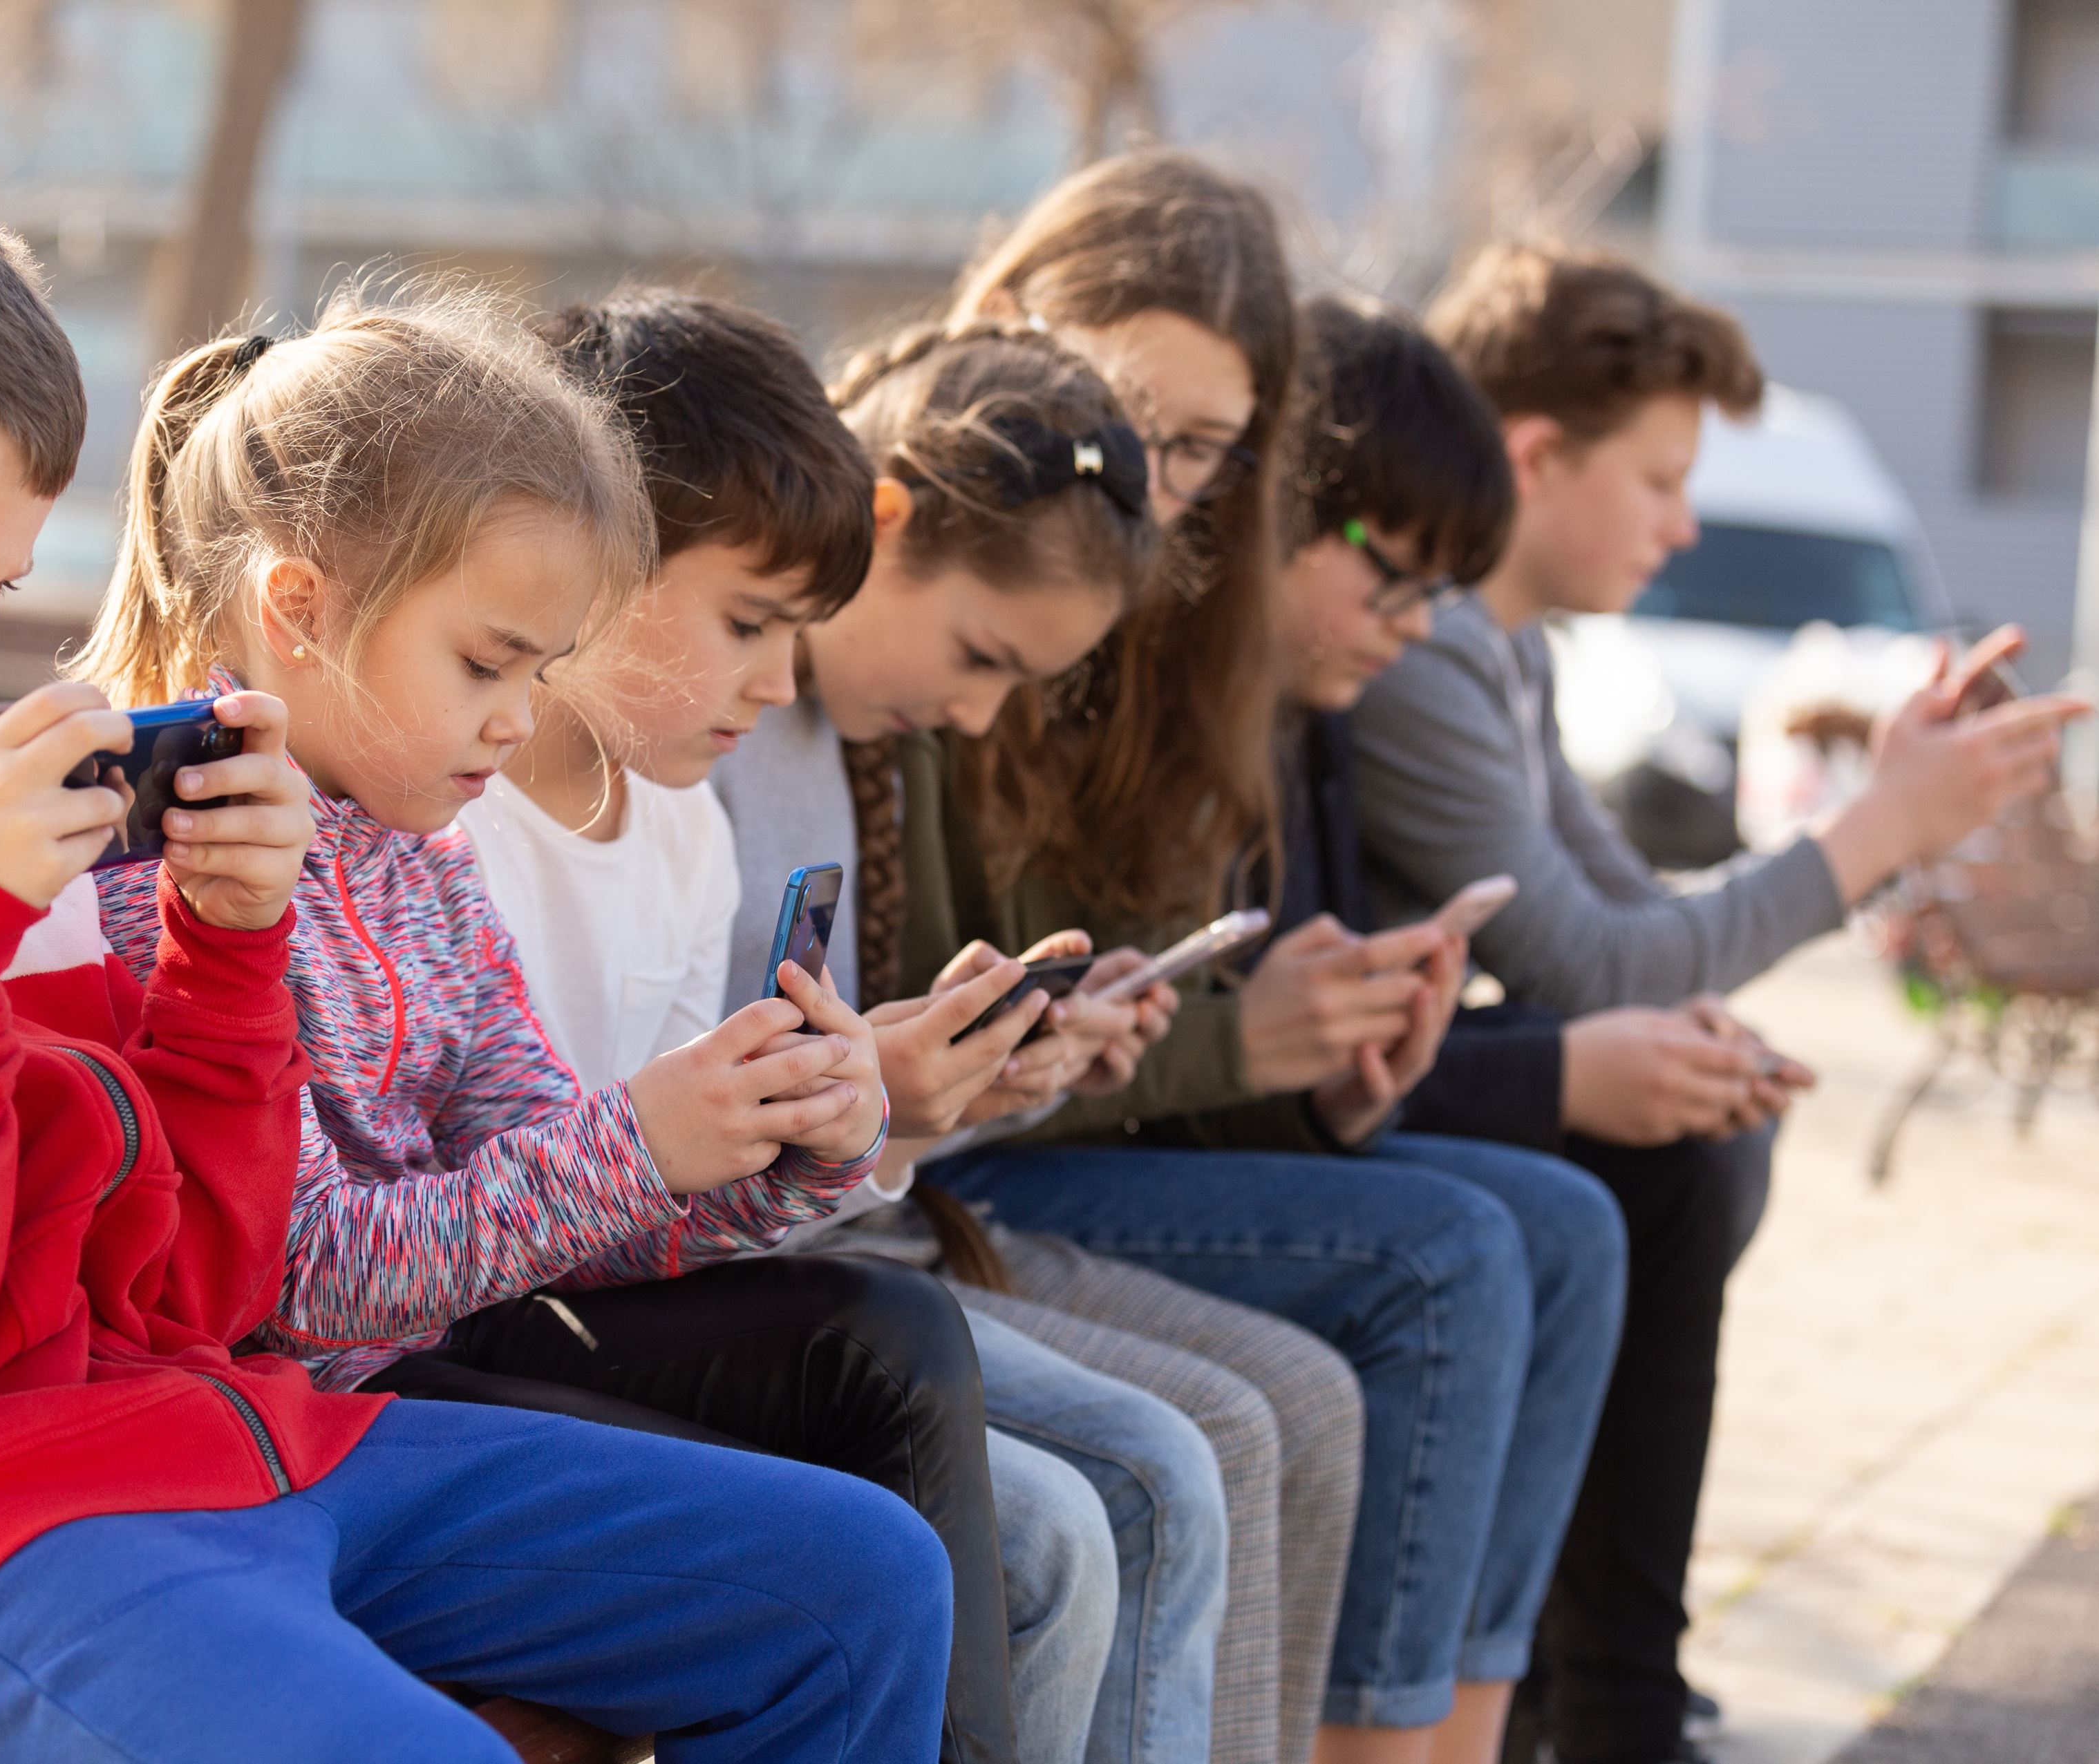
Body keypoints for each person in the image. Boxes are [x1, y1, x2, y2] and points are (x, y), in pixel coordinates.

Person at [0, 167, 952, 1764]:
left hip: (221, 1441)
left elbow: (194, 1289)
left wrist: (224, 957)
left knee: (859, 1585)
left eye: (1, 587)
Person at [73, 285, 1027, 1764]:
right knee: (839, 1563)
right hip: (276, 1417)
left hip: (402, 1382)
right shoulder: (168, 865)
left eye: (538, 670)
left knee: (870, 1450)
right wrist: (637, 1138)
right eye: (486, 663)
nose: (519, 718)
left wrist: (781, 1146)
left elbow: (550, 1183)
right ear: (300, 609)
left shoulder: (416, 851)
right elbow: (299, 1279)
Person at [456, 285, 1236, 1764]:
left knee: (968, 1385)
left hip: (620, 1287)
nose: (778, 679)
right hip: (486, 1328)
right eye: (751, 625)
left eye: (790, 632)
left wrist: (845, 1124)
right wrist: (800, 1118)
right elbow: (488, 1208)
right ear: (591, 557)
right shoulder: (462, 816)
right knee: (1009, 1474)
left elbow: (685, 1205)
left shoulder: (678, 821)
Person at [913, 160, 1628, 1764]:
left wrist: (1327, 1065)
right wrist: (1244, 1044)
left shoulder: (1192, 627)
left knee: (1557, 1225)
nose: (1160, 484)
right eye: (1140, 424)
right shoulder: (992, 595)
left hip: (1026, 1137)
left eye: (1205, 453)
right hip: (962, 1174)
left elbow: (1142, 1019)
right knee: (1452, 1256)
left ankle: (1460, 1730)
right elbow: (1014, 1036)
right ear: (1022, 319)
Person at [1345, 244, 2087, 1764]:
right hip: (1323, 1069)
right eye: (1664, 480)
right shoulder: (1422, 658)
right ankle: (1606, 1699)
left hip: (1391, 1048)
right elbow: (1587, 965)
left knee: (1695, 1101)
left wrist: (1857, 838)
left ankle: (1586, 1673)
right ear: (1537, 456)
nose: (1684, 524)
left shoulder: (1503, 650)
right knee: (1669, 1139)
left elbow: (1625, 921)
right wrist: (1879, 825)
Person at [708, 307, 1369, 1764]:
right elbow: (711, 1128)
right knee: (1132, 1488)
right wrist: (905, 1098)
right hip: (755, 1283)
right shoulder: (725, 714)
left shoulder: (842, 738)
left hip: (819, 1250)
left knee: (1221, 1441)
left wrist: (989, 1074)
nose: (976, 707)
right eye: (981, 654)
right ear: (887, 523)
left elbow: (846, 1126)